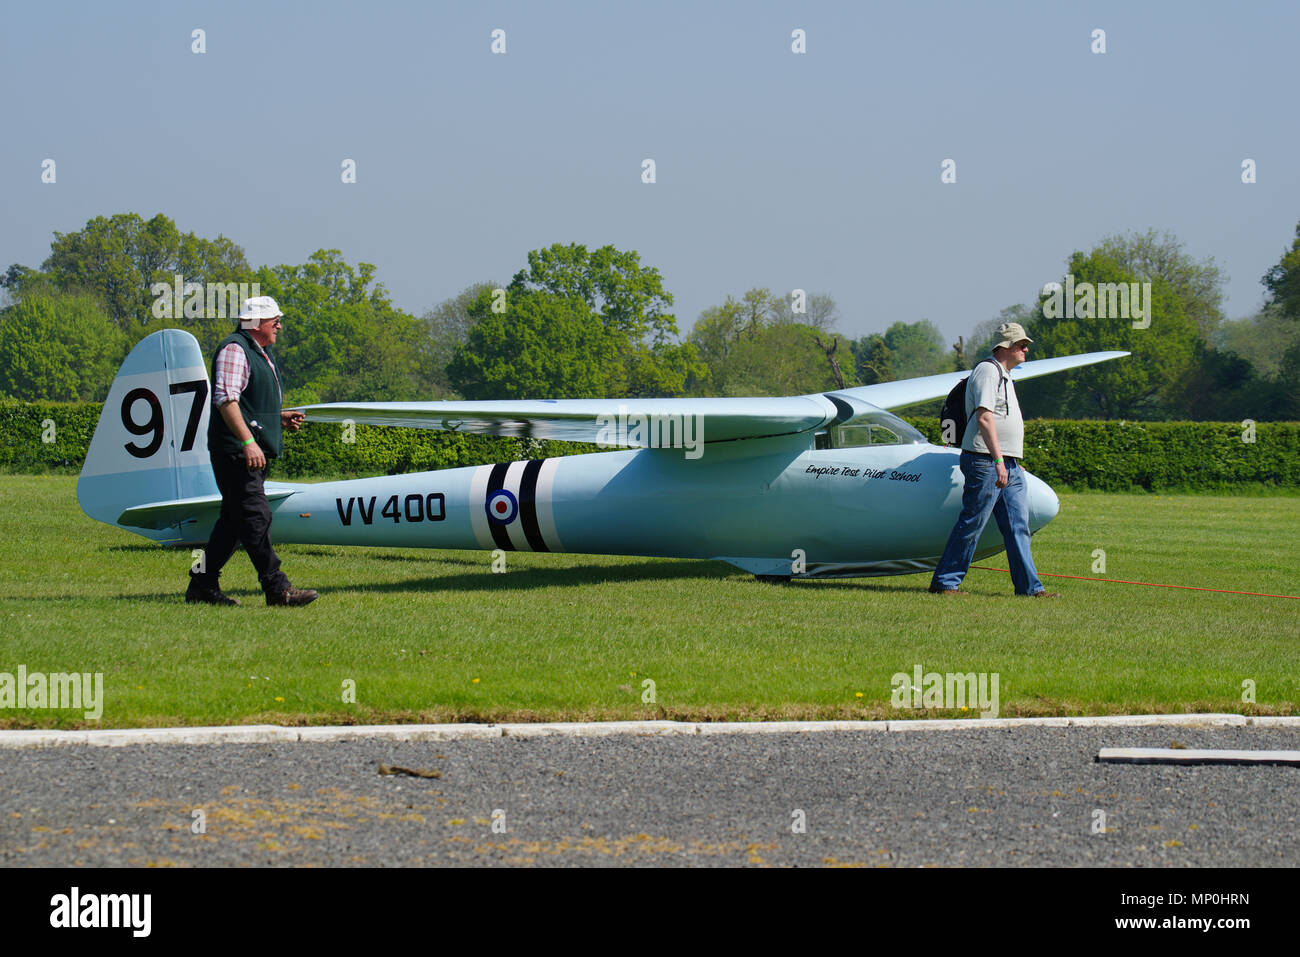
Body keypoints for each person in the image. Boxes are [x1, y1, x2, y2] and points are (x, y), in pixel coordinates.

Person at [185, 296, 318, 607]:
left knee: (232, 524)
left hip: (242, 451)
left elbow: (244, 403)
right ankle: (277, 588)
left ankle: (202, 584)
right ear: (257, 324)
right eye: (275, 322)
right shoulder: (235, 349)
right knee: (257, 517)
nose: (279, 326)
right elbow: (226, 400)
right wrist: (248, 442)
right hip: (235, 453)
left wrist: (277, 417)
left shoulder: (258, 351)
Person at [929, 321, 1060, 598]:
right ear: (1006, 347)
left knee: (1018, 526)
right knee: (973, 521)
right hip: (985, 461)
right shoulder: (988, 372)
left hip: (1005, 463)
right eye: (1021, 345)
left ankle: (1030, 589)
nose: (1026, 349)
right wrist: (1000, 461)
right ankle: (945, 582)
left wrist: (1009, 459)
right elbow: (985, 417)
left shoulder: (1005, 375)